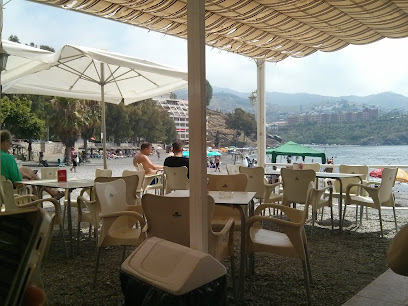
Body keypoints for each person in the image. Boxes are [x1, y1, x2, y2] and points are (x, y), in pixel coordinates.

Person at [1, 130, 64, 199]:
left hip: (3, 186)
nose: (10, 147)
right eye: (10, 144)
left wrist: (27, 175)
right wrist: (30, 178)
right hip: (8, 191)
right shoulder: (8, 158)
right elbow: (17, 182)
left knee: (26, 169)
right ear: (5, 142)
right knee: (32, 181)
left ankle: (52, 192)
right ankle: (38, 204)